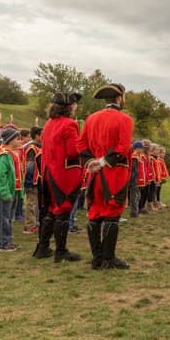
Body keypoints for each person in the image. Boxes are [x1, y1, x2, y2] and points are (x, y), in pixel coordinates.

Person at [78, 83, 134, 270]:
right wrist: (102, 162)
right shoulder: (125, 119)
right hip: (114, 173)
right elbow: (123, 148)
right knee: (112, 214)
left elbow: (82, 145)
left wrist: (91, 163)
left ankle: (97, 258)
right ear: (119, 98)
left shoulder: (91, 119)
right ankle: (108, 258)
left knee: (94, 214)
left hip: (94, 174)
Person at [36, 92, 84, 262]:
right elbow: (72, 151)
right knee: (63, 211)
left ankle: (43, 247)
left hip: (48, 171)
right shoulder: (70, 124)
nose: (76, 107)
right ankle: (61, 250)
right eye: (74, 104)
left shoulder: (49, 123)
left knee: (51, 210)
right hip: (63, 174)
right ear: (69, 107)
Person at [0, 128, 24, 252]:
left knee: (9, 217)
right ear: (10, 140)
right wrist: (5, 192)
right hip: (7, 192)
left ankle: (8, 241)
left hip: (14, 190)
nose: (20, 141)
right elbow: (0, 176)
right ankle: (2, 243)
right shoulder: (4, 155)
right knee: (4, 217)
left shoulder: (13, 153)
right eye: (17, 139)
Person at [22, 126, 43, 235]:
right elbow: (30, 165)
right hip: (32, 180)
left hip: (39, 180)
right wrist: (30, 181)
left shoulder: (41, 147)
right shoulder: (32, 148)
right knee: (31, 203)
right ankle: (29, 225)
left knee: (37, 203)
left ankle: (35, 223)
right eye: (42, 134)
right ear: (37, 136)